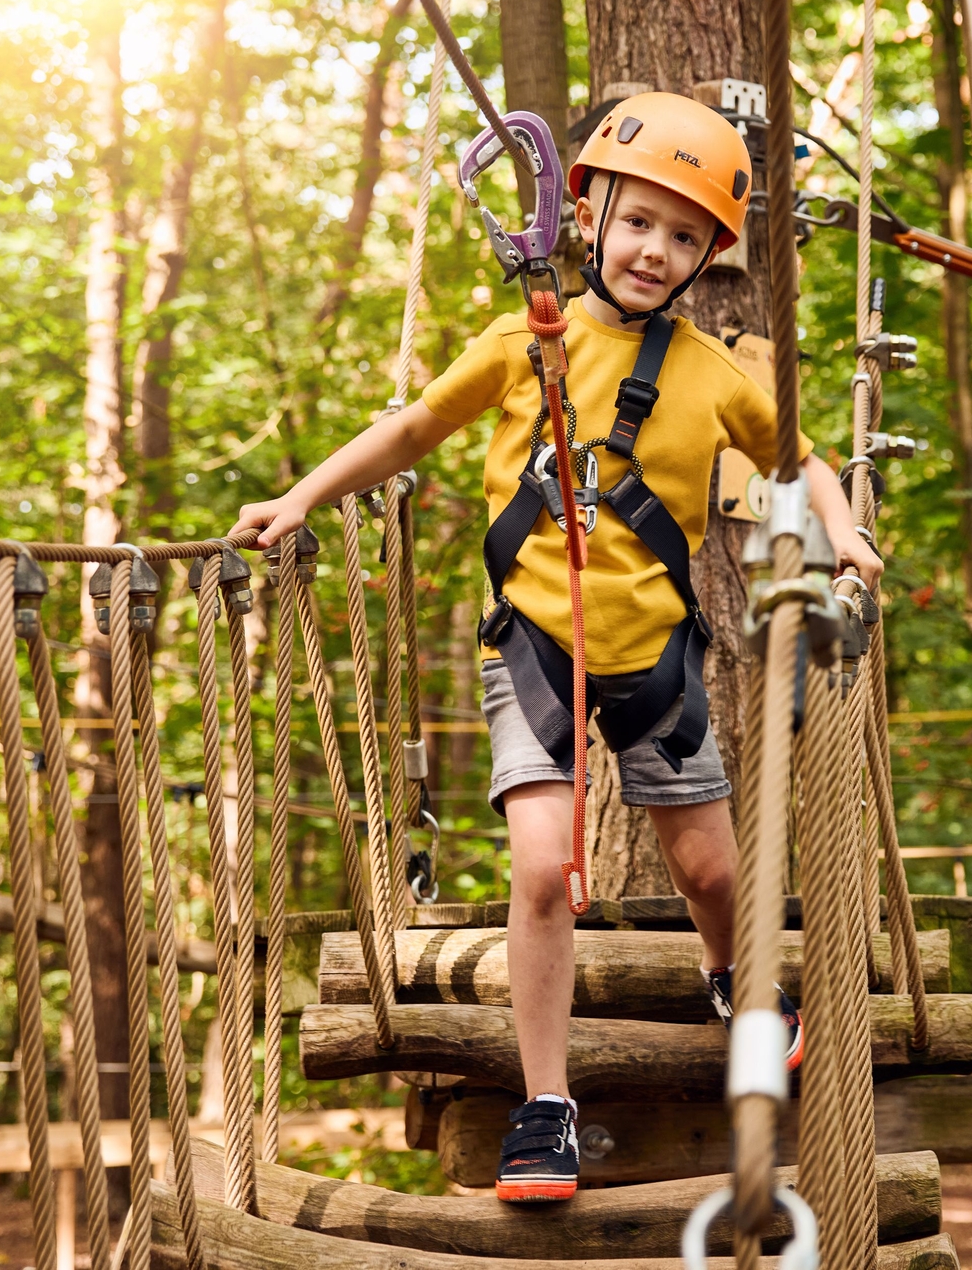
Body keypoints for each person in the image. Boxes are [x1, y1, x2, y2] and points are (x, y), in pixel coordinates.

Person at [232, 92, 882, 1201]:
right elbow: (409, 431)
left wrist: (843, 529)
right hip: (535, 642)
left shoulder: (715, 373)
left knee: (710, 868)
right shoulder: (517, 343)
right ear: (586, 213)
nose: (654, 249)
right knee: (542, 873)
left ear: (706, 258)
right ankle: (546, 1107)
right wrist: (298, 497)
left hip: (653, 649)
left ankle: (739, 984)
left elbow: (804, 457)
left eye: (684, 236)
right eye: (638, 222)